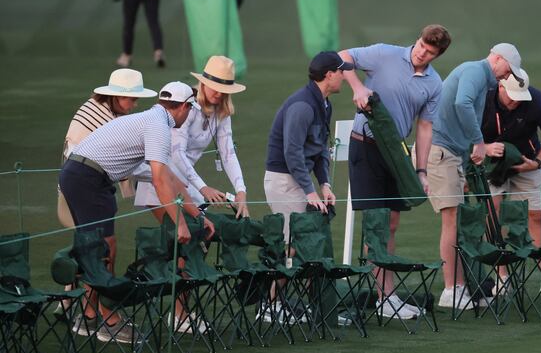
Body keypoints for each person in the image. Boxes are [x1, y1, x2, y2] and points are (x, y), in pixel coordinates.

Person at [60, 81, 215, 344]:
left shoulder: (153, 119)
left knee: (99, 246)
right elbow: (160, 181)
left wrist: (197, 214)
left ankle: (89, 313)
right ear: (185, 107)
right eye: (190, 110)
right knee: (102, 248)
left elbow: (171, 179)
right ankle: (97, 317)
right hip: (88, 178)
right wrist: (180, 223)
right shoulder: (159, 126)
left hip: (85, 176)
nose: (189, 115)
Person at [339, 24, 451, 319]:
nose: (421, 53)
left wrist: (422, 171)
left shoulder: (433, 84)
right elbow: (341, 56)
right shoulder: (383, 54)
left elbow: (425, 129)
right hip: (365, 146)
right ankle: (383, 298)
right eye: (421, 45)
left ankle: (385, 296)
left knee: (390, 223)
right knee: (376, 221)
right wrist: (358, 87)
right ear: (417, 40)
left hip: (396, 152)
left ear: (437, 55)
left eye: (429, 52)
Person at [427, 43, 526, 309]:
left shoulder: (486, 80)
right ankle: (452, 291)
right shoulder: (474, 70)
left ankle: (465, 287)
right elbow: (462, 103)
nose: (508, 76)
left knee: (458, 220)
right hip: (441, 151)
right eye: (508, 69)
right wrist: (479, 142)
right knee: (451, 221)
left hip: (453, 154)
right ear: (497, 59)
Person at [54, 68, 155, 321]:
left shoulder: (95, 108)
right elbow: (127, 163)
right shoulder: (107, 119)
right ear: (116, 97)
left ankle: (72, 299)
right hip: (84, 187)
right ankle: (95, 312)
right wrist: (163, 175)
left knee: (92, 243)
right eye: (131, 99)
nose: (134, 105)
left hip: (77, 186)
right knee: (102, 246)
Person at [135, 55, 249, 218]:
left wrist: (241, 191)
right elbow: (177, 153)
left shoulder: (222, 113)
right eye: (213, 86)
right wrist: (203, 188)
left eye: (223, 89)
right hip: (161, 176)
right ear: (203, 83)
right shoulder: (187, 105)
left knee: (199, 229)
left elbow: (228, 154)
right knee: (182, 232)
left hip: (186, 181)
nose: (218, 93)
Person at [480, 71, 541, 286]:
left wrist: (536, 163)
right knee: (493, 215)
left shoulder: (535, 101)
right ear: (500, 87)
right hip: (493, 165)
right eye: (512, 95)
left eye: (520, 96)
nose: (516, 100)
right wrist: (486, 148)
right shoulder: (483, 99)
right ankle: (502, 277)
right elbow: (464, 132)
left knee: (534, 218)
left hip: (527, 163)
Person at [264, 51, 349, 236]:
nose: (344, 76)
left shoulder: (325, 104)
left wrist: (324, 184)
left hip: (299, 179)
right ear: (329, 75)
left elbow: (320, 148)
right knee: (294, 244)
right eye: (341, 72)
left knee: (306, 242)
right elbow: (292, 152)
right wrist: (311, 192)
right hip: (284, 181)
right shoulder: (303, 106)